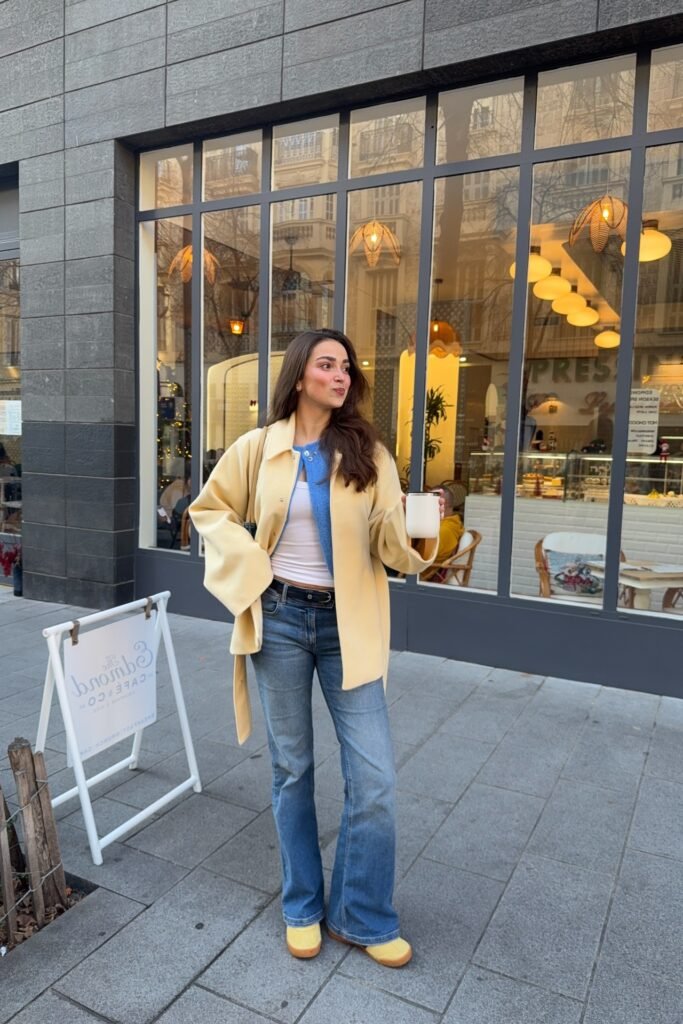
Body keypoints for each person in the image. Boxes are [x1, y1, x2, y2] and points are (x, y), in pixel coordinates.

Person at [190, 329, 441, 967]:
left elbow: (387, 541)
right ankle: (303, 904)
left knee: (376, 778)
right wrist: (254, 566)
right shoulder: (258, 447)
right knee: (292, 770)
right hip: (279, 621)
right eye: (327, 364)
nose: (341, 375)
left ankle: (361, 914)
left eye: (347, 367)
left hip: (345, 628)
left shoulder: (368, 452)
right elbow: (209, 510)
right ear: (300, 375)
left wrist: (415, 523)